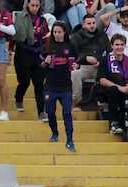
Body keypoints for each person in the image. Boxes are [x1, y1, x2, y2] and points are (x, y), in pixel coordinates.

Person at [43, 21, 77, 152]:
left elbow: (76, 61)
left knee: (67, 113)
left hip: (66, 86)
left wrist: (75, 65)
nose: (57, 34)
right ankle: (55, 133)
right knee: (50, 112)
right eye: (55, 32)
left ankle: (69, 139)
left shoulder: (70, 45)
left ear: (64, 33)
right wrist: (45, 62)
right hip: (50, 86)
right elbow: (41, 65)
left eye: (59, 32)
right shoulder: (47, 45)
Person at [13, 0, 49, 120]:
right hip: (23, 52)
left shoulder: (43, 20)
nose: (34, 8)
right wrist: (30, 35)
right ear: (27, 4)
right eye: (32, 5)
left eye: (37, 6)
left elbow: (46, 37)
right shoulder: (20, 16)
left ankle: (41, 112)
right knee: (25, 81)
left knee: (39, 84)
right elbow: (17, 36)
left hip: (38, 53)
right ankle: (18, 97)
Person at [97, 34, 128, 134]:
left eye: (122, 44)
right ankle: (114, 123)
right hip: (108, 90)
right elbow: (101, 80)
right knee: (114, 90)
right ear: (112, 46)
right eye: (117, 44)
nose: (119, 47)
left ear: (125, 46)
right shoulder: (105, 60)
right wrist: (120, 88)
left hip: (125, 90)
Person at [70, 12, 109, 109]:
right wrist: (85, 58)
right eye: (89, 23)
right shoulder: (76, 36)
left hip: (100, 67)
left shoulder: (102, 35)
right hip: (84, 67)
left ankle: (104, 101)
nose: (92, 25)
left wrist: (101, 61)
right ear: (83, 25)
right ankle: (76, 101)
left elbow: (109, 51)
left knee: (112, 72)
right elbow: (73, 55)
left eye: (93, 23)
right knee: (75, 74)